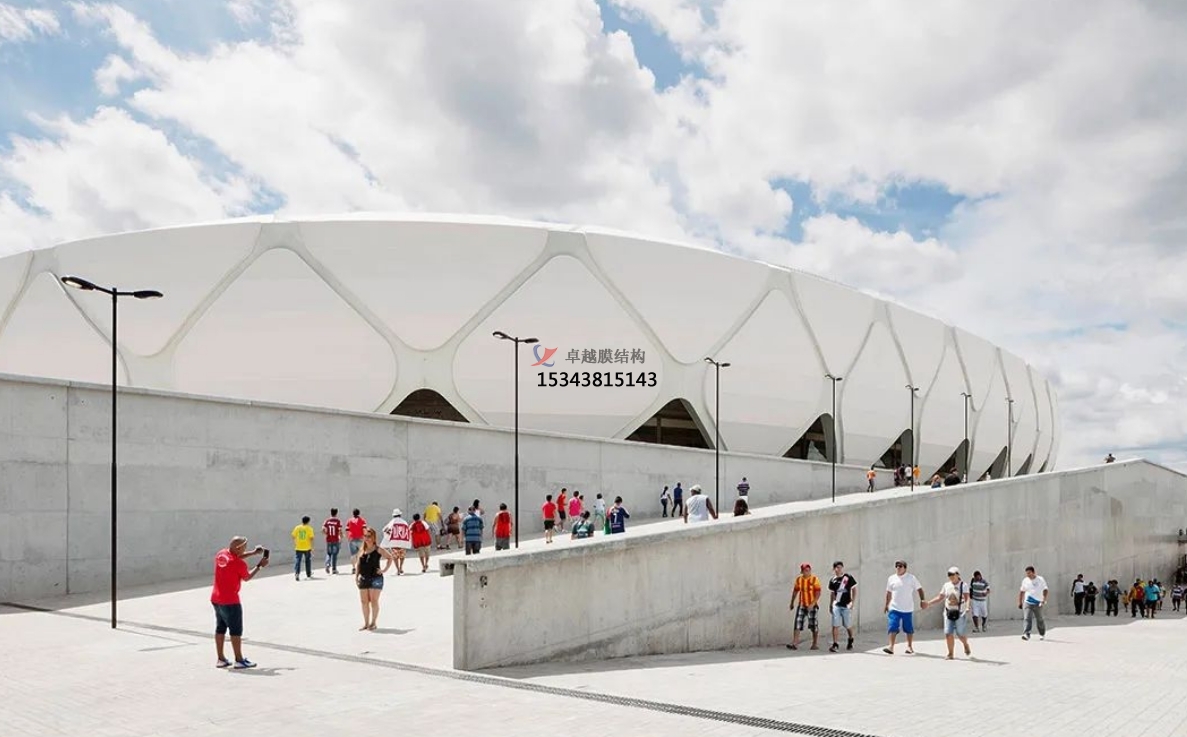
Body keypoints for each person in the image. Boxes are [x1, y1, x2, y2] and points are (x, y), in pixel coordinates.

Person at [210, 536, 269, 668]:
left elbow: (235, 557)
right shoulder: (239, 564)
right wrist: (260, 566)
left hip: (216, 599)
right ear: (238, 548)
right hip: (230, 601)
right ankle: (239, 660)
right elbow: (247, 577)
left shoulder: (221, 554)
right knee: (235, 631)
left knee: (220, 628)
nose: (245, 549)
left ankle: (221, 659)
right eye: (244, 547)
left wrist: (253, 553)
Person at [925, 567, 972, 660]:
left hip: (959, 613)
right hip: (948, 612)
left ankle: (965, 644)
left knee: (960, 633)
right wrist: (929, 603)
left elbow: (967, 598)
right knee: (948, 633)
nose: (950, 576)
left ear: (958, 575)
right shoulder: (946, 585)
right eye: (949, 575)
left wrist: (967, 607)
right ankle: (950, 653)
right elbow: (940, 597)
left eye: (952, 574)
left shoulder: (963, 585)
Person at [354, 527, 394, 631]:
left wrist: (384, 570)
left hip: (376, 578)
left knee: (373, 601)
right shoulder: (362, 550)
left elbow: (390, 557)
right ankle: (366, 623)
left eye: (369, 536)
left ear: (373, 538)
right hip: (363, 578)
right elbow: (358, 564)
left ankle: (373, 623)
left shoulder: (378, 549)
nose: (367, 538)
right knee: (364, 601)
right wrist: (356, 576)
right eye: (365, 536)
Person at [883, 560, 924, 655]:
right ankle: (891, 647)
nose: (898, 567)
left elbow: (919, 589)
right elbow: (888, 592)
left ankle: (909, 647)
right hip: (894, 608)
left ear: (905, 568)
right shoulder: (891, 578)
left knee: (908, 628)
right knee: (892, 626)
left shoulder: (911, 578)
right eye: (896, 566)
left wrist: (922, 600)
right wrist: (886, 605)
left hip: (907, 608)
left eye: (900, 566)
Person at [787, 563, 822, 650]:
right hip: (802, 604)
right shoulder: (799, 580)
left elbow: (818, 593)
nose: (807, 572)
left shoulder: (814, 579)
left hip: (812, 605)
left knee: (814, 625)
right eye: (805, 570)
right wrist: (792, 602)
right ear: (802, 571)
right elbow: (795, 591)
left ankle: (814, 643)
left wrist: (812, 604)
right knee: (798, 623)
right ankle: (795, 643)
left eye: (809, 570)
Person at [827, 561, 857, 652]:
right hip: (836, 604)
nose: (839, 569)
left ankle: (850, 638)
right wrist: (831, 604)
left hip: (846, 604)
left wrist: (852, 602)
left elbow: (854, 589)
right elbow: (832, 593)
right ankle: (835, 644)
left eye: (840, 567)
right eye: (837, 567)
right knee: (835, 624)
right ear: (834, 569)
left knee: (847, 625)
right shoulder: (833, 580)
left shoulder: (848, 577)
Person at [1018, 565, 1048, 640]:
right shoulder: (1025, 580)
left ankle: (1042, 633)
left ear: (1033, 572)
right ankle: (1026, 634)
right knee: (1027, 618)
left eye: (1029, 573)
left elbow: (1045, 590)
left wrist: (1044, 599)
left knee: (1039, 619)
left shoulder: (1040, 579)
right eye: (1027, 573)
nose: (1028, 575)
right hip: (1028, 602)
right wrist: (1020, 602)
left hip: (1038, 602)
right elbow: (1022, 591)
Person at [380, 509, 411, 575]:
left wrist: (388, 540)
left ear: (393, 515)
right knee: (402, 557)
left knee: (395, 558)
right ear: (400, 515)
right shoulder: (404, 522)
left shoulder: (392, 522)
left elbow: (385, 530)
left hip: (394, 544)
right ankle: (401, 567)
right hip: (403, 543)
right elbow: (408, 532)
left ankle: (398, 570)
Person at [291, 515, 315, 581]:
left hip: (298, 547)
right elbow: (311, 538)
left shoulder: (297, 528)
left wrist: (296, 542)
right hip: (307, 547)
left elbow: (293, 536)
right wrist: (312, 547)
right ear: (308, 521)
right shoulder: (309, 528)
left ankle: (297, 573)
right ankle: (308, 574)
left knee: (298, 560)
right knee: (308, 561)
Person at [322, 508, 343, 575]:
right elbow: (340, 530)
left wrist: (326, 534)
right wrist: (341, 536)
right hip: (335, 540)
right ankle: (334, 569)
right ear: (336, 513)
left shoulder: (327, 521)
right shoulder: (338, 521)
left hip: (328, 540)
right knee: (334, 554)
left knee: (329, 553)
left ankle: (327, 564)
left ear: (331, 512)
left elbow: (323, 529)